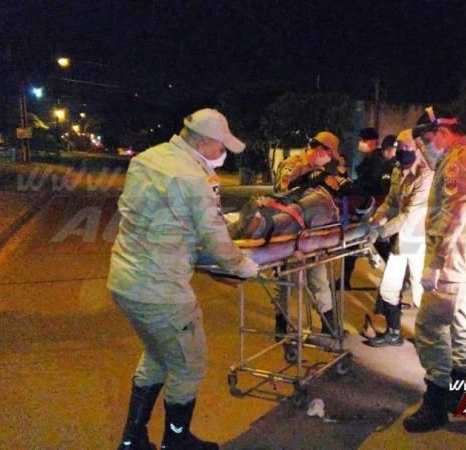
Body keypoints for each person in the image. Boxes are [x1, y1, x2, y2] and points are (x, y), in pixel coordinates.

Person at [108, 108, 259, 450]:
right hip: (161, 289)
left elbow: (156, 214)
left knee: (159, 357)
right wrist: (244, 266)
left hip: (124, 279)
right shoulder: (196, 177)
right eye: (221, 148)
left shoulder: (148, 159)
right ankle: (177, 443)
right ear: (205, 142)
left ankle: (133, 440)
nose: (222, 155)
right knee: (189, 366)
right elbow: (216, 239)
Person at [403, 109, 466, 433]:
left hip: (449, 262)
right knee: (459, 321)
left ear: (443, 132)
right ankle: (456, 391)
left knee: (430, 327)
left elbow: (452, 216)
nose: (427, 147)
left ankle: (436, 403)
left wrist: (435, 264)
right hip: (462, 260)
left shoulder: (455, 162)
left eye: (428, 139)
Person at [365, 129, 433, 347]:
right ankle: (394, 333)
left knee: (420, 290)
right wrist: (377, 218)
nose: (403, 153)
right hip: (401, 238)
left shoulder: (425, 174)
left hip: (418, 238)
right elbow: (392, 202)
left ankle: (429, 338)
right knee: (389, 287)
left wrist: (380, 231)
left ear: (418, 149)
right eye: (400, 149)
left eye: (407, 149)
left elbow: (409, 215)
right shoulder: (397, 170)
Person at [273, 131, 341, 339]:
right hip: (289, 233)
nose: (329, 159)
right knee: (285, 281)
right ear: (321, 149)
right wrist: (307, 181)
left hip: (313, 234)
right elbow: (282, 195)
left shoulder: (318, 170)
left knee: (319, 279)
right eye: (329, 154)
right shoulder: (292, 165)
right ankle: (281, 326)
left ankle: (329, 325)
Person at [341, 130, 396, 289]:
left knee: (366, 242)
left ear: (372, 142)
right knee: (356, 242)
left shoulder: (378, 161)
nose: (360, 143)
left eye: (363, 140)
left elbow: (373, 186)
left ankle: (396, 279)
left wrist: (353, 189)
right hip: (368, 206)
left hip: (372, 208)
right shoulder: (373, 159)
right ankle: (345, 279)